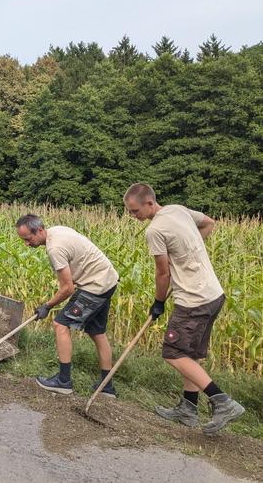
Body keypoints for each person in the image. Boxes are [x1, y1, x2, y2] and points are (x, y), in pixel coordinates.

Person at [123, 183, 244, 434]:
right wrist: (190, 252)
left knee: (173, 353)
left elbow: (162, 272)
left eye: (135, 211)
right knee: (190, 355)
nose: (133, 216)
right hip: (213, 295)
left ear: (149, 203)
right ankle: (188, 408)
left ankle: (222, 401)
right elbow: (209, 223)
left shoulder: (154, 230)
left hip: (193, 300)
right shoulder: (178, 210)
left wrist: (157, 303)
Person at [16, 214, 119, 397]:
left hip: (95, 285)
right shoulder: (56, 230)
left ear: (39, 231)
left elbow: (67, 288)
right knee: (97, 332)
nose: (27, 244)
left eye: (28, 239)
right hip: (107, 280)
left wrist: (46, 306)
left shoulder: (54, 249)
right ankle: (106, 386)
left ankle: (63, 381)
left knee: (60, 324)